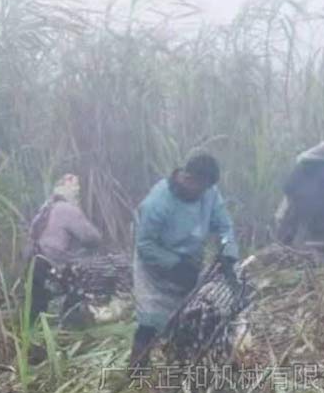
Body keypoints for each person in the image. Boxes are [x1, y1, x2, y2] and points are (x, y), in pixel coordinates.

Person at [129, 154, 239, 368]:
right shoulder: (157, 203)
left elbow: (224, 226)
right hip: (154, 263)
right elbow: (145, 245)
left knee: (191, 312)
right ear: (188, 178)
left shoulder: (209, 192)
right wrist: (174, 264)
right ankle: (137, 367)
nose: (204, 193)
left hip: (190, 259)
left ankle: (185, 361)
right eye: (201, 187)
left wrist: (228, 250)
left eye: (208, 188)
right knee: (151, 318)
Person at [22, 174, 102, 325]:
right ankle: (70, 328)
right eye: (75, 187)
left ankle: (32, 339)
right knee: (75, 294)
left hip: (32, 265)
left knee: (37, 313)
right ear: (66, 189)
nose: (78, 191)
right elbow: (91, 238)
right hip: (50, 266)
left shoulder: (43, 210)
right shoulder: (67, 209)